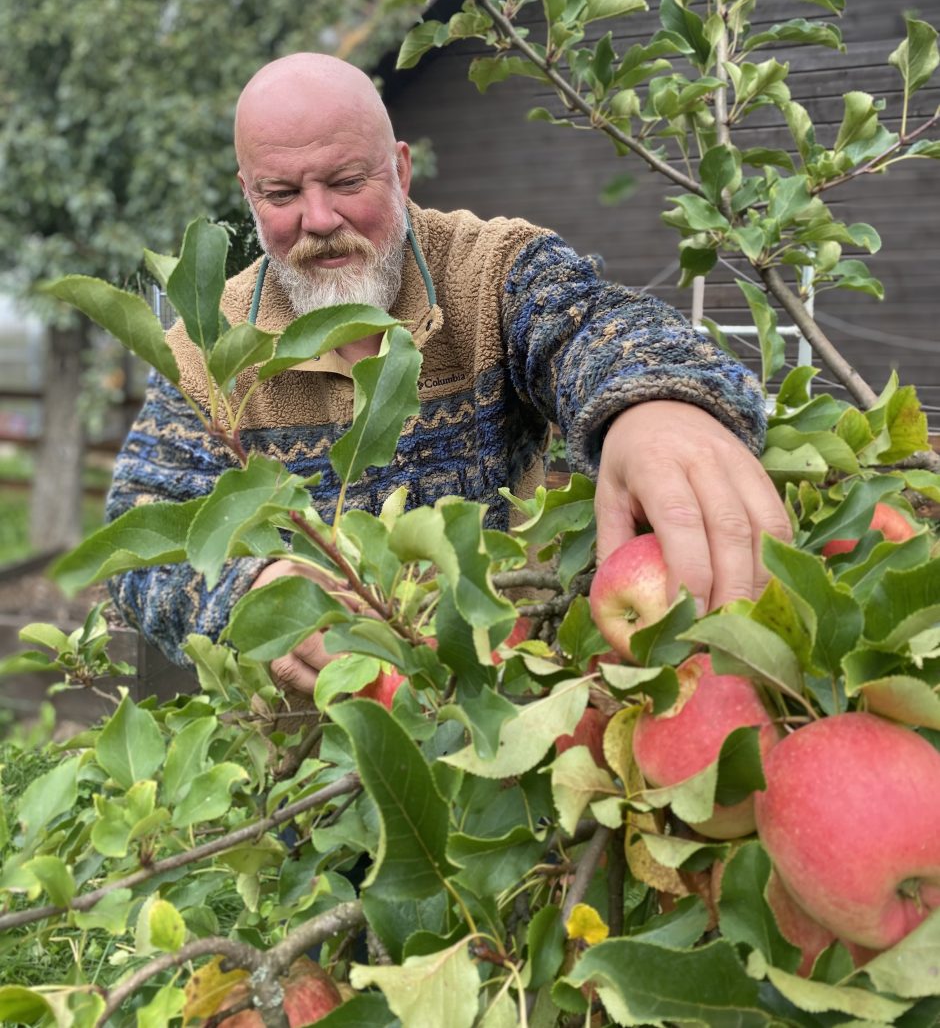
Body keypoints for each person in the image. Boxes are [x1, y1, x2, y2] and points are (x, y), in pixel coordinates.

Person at [106, 53, 790, 690]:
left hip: (510, 702)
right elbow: (142, 530)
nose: (319, 219)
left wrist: (651, 402)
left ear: (400, 171)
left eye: (348, 182)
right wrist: (248, 589)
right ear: (247, 193)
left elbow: (589, 323)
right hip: (323, 747)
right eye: (282, 192)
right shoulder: (208, 343)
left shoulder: (485, 270)